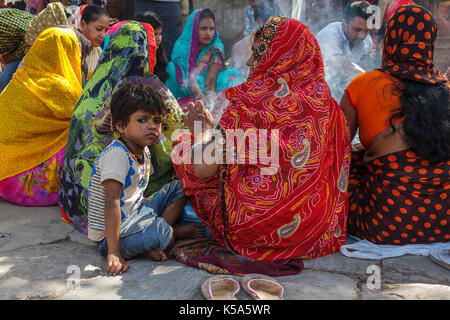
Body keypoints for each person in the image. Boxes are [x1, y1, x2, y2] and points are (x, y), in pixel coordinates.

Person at [172, 16, 351, 261]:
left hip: (252, 234)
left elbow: (203, 169)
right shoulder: (328, 108)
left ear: (276, 56)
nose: (248, 61)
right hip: (314, 232)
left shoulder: (249, 106)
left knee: (182, 145)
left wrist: (202, 131)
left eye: (257, 53)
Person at [58, 21, 185, 235]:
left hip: (78, 199)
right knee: (182, 171)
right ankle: (158, 229)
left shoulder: (93, 86)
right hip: (120, 199)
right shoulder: (149, 87)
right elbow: (179, 130)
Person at [340, 4, 449, 245]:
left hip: (385, 223)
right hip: (443, 220)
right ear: (430, 43)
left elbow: (336, 148)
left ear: (390, 39)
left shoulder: (364, 83)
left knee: (347, 163)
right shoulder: (445, 89)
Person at [89, 79, 203, 275]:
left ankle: (155, 236)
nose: (152, 126)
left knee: (180, 186)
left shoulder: (143, 151)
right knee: (158, 233)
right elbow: (111, 202)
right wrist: (114, 253)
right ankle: (170, 233)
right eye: (142, 120)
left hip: (135, 213)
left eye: (156, 121)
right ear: (121, 126)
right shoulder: (117, 154)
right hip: (111, 237)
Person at [0, 27, 84, 206]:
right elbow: (85, 118)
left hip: (3, 178)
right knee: (84, 134)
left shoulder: (20, 78)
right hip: (28, 189)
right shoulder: (60, 87)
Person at [165, 8, 242, 110]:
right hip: (184, 87)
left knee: (232, 75)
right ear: (194, 29)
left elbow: (211, 79)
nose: (208, 33)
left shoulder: (216, 47)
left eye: (211, 29)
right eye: (203, 28)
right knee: (172, 69)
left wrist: (209, 98)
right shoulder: (183, 47)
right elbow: (189, 77)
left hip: (210, 86)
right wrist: (199, 97)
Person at [316, 1, 374, 101]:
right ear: (344, 24)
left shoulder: (367, 42)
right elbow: (341, 64)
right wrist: (371, 80)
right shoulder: (330, 34)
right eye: (357, 29)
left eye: (366, 31)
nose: (362, 36)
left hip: (341, 89)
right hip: (315, 86)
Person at [231, 0, 283, 81]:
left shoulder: (282, 45)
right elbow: (237, 78)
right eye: (266, 23)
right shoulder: (239, 48)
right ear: (256, 23)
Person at [0, 8, 33, 93]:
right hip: (19, 45)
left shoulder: (3, 25)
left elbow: (28, 32)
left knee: (4, 79)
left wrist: (14, 56)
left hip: (32, 41)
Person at [135, 10, 169, 82]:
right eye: (155, 34)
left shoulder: (159, 53)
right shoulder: (134, 58)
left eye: (160, 34)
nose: (159, 39)